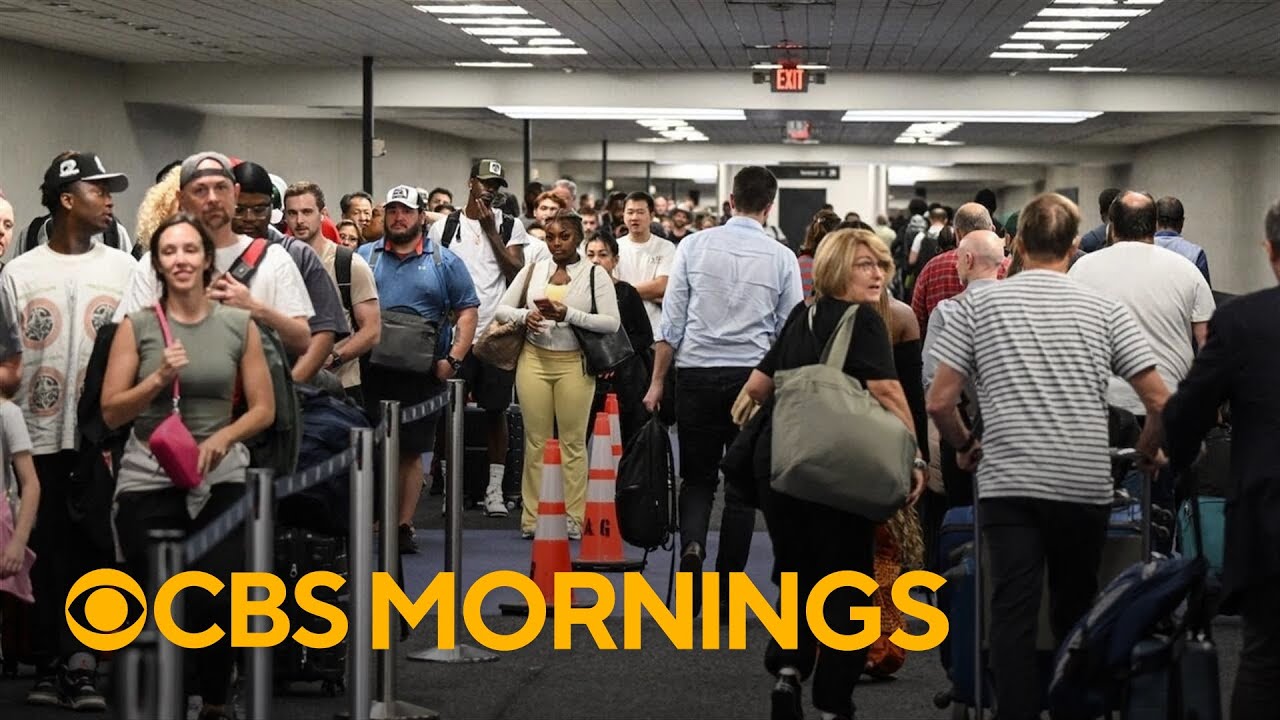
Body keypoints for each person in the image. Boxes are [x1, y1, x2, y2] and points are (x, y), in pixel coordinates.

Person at [926, 193, 1170, 720]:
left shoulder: (975, 306)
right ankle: (1073, 708)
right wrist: (1147, 451)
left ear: (1013, 245)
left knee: (1011, 611)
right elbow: (1159, 400)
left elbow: (940, 401)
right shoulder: (1104, 309)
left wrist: (967, 445)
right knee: (1077, 606)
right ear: (1075, 246)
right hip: (1083, 482)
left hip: (1008, 481)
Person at [741, 228, 927, 720]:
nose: (879, 275)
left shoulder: (800, 316)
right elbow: (887, 390)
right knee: (848, 581)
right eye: (865, 265)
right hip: (841, 468)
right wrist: (915, 457)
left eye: (882, 265)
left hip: (784, 465)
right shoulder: (863, 320)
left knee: (799, 575)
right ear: (836, 269)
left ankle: (789, 672)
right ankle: (832, 700)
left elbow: (756, 387)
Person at [102, 214, 274, 720]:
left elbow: (263, 409)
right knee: (155, 594)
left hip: (220, 473)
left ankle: (216, 699)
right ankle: (162, 701)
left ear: (206, 260)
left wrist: (224, 436)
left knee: (216, 591)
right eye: (169, 251)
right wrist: (157, 379)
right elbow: (112, 410)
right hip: (150, 472)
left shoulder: (237, 324)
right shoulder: (136, 327)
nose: (180, 259)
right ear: (158, 263)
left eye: (189, 250)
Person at [0, 151, 139, 711]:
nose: (109, 200)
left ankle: (83, 662)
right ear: (65, 199)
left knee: (97, 547)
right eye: (97, 190)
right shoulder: (19, 273)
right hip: (35, 438)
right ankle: (53, 659)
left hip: (101, 437)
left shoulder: (124, 270)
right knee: (45, 547)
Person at [643, 166, 803, 616]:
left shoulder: (692, 245)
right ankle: (726, 589)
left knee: (697, 479)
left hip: (695, 373)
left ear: (730, 201)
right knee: (740, 488)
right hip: (751, 380)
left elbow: (671, 324)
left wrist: (657, 382)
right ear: (769, 207)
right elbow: (787, 330)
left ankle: (693, 545)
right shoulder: (781, 257)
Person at [1163, 198, 1280, 720]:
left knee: (1264, 659)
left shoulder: (1244, 320)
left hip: (1270, 517)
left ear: (1270, 251)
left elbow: (1190, 409)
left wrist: (1180, 457)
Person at [361, 185, 479, 553]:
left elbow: (468, 310)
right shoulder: (365, 257)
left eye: (406, 211)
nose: (398, 218)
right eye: (392, 210)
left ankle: (402, 524)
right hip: (371, 367)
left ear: (421, 216)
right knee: (371, 446)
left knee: (411, 451)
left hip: (423, 370)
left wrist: (454, 359)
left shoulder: (445, 261)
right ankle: (371, 519)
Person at [496, 209, 621, 540]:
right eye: (550, 237)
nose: (556, 243)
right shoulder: (534, 269)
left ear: (578, 238)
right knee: (535, 441)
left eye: (564, 237)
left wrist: (571, 314)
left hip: (574, 364)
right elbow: (502, 308)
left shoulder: (595, 274)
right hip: (533, 360)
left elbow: (611, 323)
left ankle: (573, 517)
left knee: (573, 443)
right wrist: (526, 317)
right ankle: (532, 517)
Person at [428, 159, 528, 516]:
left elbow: (516, 273)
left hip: (495, 333)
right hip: (455, 334)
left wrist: (491, 231)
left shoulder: (510, 225)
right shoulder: (444, 226)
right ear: (471, 183)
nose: (491, 190)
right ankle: (450, 488)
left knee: (495, 412)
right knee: (447, 412)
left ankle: (495, 489)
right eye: (485, 183)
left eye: (497, 185)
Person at [584, 233, 653, 448]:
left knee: (626, 437)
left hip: (625, 378)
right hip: (586, 375)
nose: (596, 260)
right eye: (590, 254)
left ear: (615, 260)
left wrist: (614, 358)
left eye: (603, 255)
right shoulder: (579, 293)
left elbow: (644, 336)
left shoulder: (626, 293)